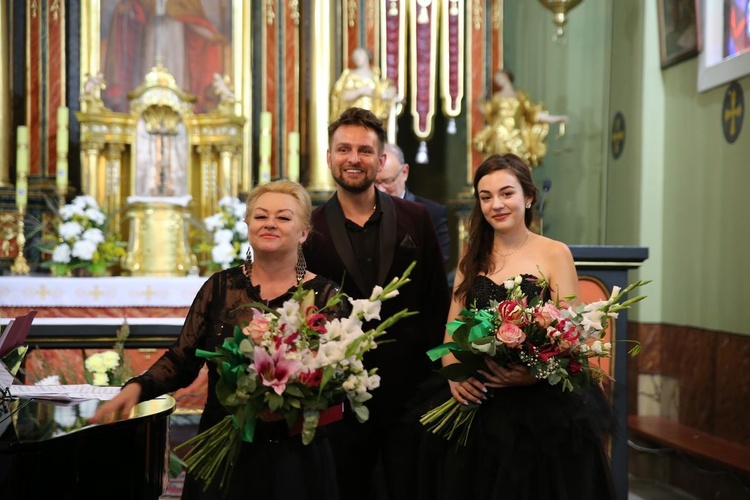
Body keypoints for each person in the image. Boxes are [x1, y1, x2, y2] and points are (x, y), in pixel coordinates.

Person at [91, 179, 346, 500]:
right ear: (248, 225)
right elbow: (183, 358)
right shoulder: (221, 287)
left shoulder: (325, 295)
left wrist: (289, 401)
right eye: (260, 216)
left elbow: (335, 377)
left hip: (296, 457)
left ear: (304, 232)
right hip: (225, 450)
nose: (270, 223)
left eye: (283, 217)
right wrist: (136, 388)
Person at [418, 153, 616, 500]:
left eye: (506, 193)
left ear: (528, 196)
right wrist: (455, 377)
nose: (497, 204)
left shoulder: (554, 253)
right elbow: (452, 331)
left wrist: (533, 374)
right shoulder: (471, 260)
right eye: (486, 197)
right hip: (480, 401)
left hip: (541, 407)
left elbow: (574, 334)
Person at [305, 107, 450, 500]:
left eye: (365, 151)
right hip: (341, 396)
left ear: (382, 159)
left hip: (411, 393)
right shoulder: (310, 229)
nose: (354, 158)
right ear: (330, 156)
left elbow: (438, 300)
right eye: (344, 149)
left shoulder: (416, 218)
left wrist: (435, 377)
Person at [472, 69, 569, 168]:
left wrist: (554, 119)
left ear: (507, 77)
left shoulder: (521, 96)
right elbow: (487, 111)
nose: (499, 81)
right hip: (499, 134)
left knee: (520, 163)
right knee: (500, 165)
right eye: (497, 80)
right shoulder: (497, 98)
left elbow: (533, 113)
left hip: (516, 135)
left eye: (500, 78)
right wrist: (479, 100)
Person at [375, 142, 450, 264]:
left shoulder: (433, 213)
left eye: (387, 181)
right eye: (375, 183)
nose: (380, 189)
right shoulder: (362, 211)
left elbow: (439, 264)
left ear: (404, 172)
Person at [329, 48, 399, 124]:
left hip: (373, 116)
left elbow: (384, 93)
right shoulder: (350, 76)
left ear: (367, 56)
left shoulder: (376, 77)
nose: (357, 58)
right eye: (355, 56)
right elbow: (341, 96)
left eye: (360, 55)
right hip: (355, 116)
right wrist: (360, 91)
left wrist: (388, 92)